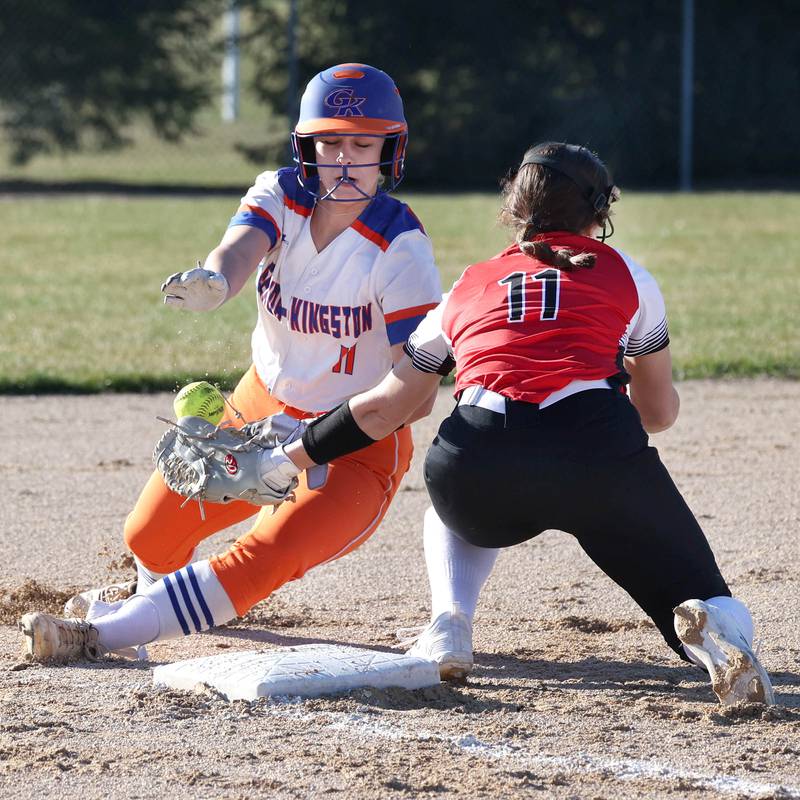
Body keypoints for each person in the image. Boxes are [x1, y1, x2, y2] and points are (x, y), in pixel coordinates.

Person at [166, 142, 772, 706]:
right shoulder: (628, 274)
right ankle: (714, 631)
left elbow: (385, 405)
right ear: (599, 212)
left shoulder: (468, 286)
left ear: (514, 209)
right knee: (695, 587)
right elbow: (659, 413)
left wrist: (284, 459)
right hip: (598, 453)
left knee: (450, 511)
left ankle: (449, 625)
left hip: (477, 464)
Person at [20, 64, 441, 662]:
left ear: (389, 151)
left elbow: (415, 394)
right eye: (331, 142)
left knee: (264, 555)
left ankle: (103, 637)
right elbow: (242, 247)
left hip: (355, 444)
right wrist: (217, 280)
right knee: (149, 534)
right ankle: (149, 604)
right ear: (306, 146)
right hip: (260, 406)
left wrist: (310, 447)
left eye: (362, 144)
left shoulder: (401, 249)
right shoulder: (282, 193)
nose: (345, 160)